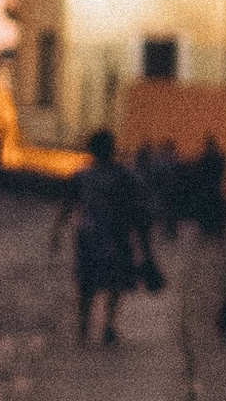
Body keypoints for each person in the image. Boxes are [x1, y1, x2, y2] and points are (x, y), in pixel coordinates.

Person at [51, 130, 152, 345]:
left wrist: (57, 233)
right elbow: (137, 209)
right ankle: (108, 325)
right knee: (116, 282)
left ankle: (83, 328)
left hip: (88, 235)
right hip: (117, 234)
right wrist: (144, 243)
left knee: (87, 284)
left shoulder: (82, 175)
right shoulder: (124, 175)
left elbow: (67, 205)